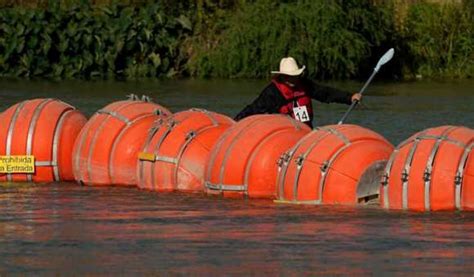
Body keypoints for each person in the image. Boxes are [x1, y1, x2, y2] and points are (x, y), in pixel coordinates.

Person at [234, 57, 362, 128]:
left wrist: (349, 97)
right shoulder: (272, 92)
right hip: (285, 136)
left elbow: (326, 93)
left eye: (294, 76)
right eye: (289, 76)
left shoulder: (304, 84)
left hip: (305, 134)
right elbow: (254, 109)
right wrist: (235, 123)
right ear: (282, 76)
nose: (292, 79)